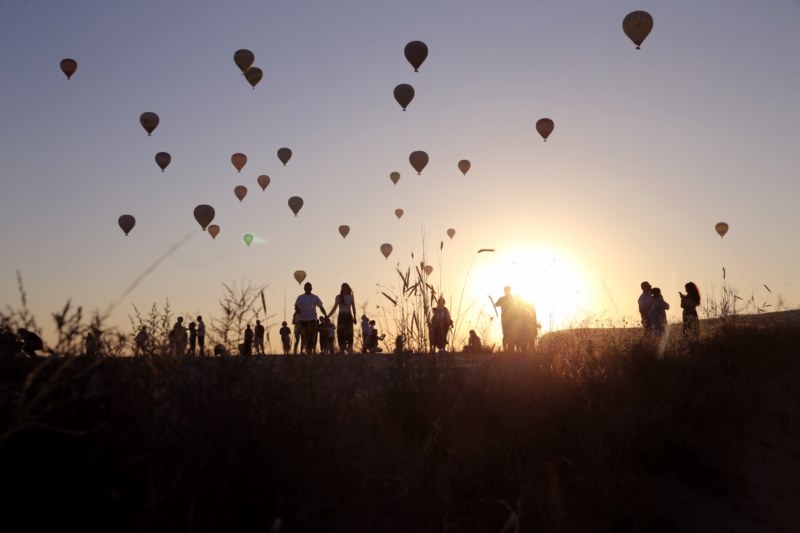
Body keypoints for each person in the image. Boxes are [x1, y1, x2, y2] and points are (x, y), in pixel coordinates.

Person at [294, 282, 327, 354]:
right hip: (302, 320)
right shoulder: (300, 297)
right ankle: (307, 349)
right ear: (304, 288)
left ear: (311, 288)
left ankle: (310, 350)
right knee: (304, 336)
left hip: (312, 319)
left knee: (312, 335)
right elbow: (296, 306)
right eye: (306, 287)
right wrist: (297, 310)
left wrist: (325, 315)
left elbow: (321, 307)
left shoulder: (315, 297)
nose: (307, 289)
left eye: (309, 287)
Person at [327, 282, 356, 353]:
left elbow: (353, 308)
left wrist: (354, 317)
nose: (344, 289)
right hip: (341, 316)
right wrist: (328, 316)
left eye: (345, 287)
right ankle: (342, 348)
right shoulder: (338, 297)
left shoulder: (351, 297)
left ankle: (350, 347)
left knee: (349, 332)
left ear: (348, 288)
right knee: (340, 331)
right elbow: (334, 308)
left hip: (349, 315)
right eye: (342, 287)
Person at [494, 286, 517, 351]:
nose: (506, 291)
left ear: (509, 290)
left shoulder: (513, 298)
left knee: (511, 334)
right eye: (505, 290)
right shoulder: (502, 298)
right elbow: (496, 304)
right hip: (505, 319)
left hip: (512, 319)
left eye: (508, 290)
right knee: (505, 334)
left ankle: (510, 349)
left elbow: (516, 307)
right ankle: (505, 349)